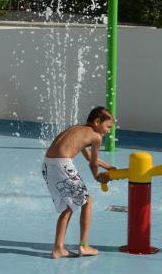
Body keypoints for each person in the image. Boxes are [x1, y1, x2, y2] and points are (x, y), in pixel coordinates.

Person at [42, 106, 115, 259]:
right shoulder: (96, 137)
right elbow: (93, 164)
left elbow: (89, 158)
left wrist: (110, 167)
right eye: (108, 127)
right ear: (97, 122)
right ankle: (84, 246)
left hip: (47, 165)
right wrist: (98, 177)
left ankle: (58, 248)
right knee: (87, 201)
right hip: (62, 164)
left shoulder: (77, 129)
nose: (108, 131)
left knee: (69, 206)